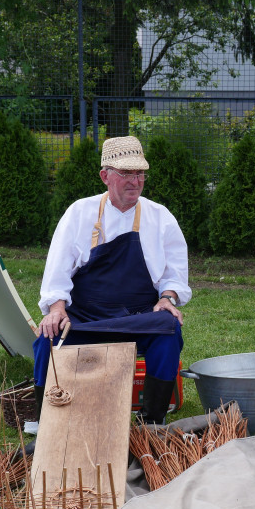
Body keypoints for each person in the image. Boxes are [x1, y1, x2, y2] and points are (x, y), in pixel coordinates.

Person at [34, 135, 188, 425]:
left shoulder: (160, 217)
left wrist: (167, 298)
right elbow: (57, 269)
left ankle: (151, 420)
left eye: (140, 174)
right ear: (105, 176)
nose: (135, 181)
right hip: (86, 318)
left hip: (138, 317)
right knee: (48, 335)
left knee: (168, 329)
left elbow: (175, 273)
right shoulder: (79, 212)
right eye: (126, 174)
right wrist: (56, 309)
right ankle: (48, 422)